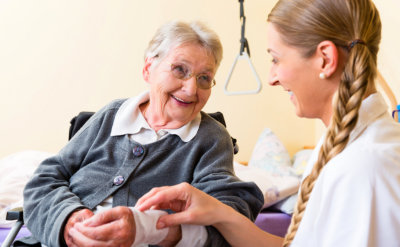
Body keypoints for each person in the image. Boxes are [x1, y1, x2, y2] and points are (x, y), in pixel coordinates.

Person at [136, 0, 400, 246]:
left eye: (276, 59)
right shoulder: (343, 147)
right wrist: (218, 213)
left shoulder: (364, 168)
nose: (272, 78)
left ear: (326, 59)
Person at [23, 20, 264, 247]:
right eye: (180, 69)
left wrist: (149, 229)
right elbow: (45, 179)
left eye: (204, 78)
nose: (191, 89)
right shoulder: (111, 115)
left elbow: (230, 218)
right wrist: (67, 220)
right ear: (149, 69)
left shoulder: (210, 139)